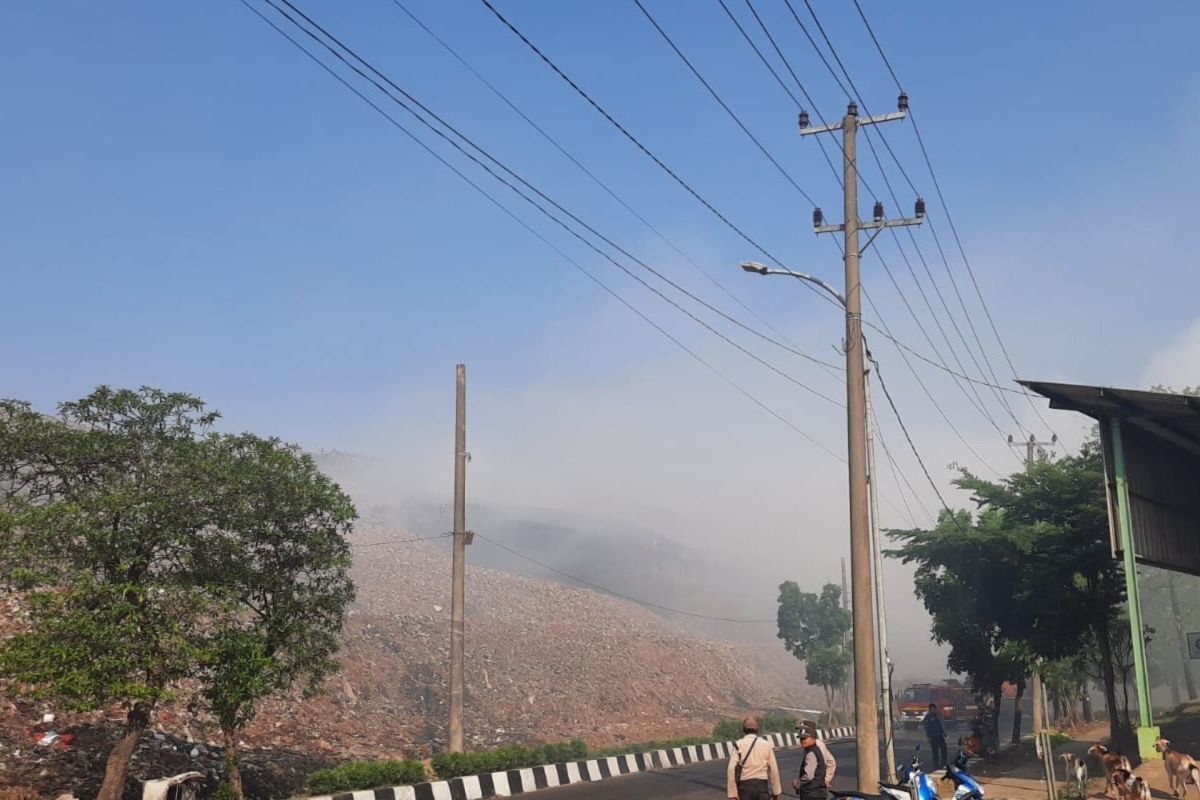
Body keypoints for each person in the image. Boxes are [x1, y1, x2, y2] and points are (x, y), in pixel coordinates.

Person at [727, 717, 782, 800]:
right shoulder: (766, 745)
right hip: (761, 787)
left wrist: (732, 794)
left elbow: (731, 769)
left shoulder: (738, 745)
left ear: (744, 730)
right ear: (757, 730)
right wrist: (776, 792)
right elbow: (774, 769)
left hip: (744, 788)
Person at [791, 722, 828, 800]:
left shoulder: (811, 753)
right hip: (818, 793)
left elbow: (809, 776)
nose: (802, 741)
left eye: (805, 738)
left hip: (812, 794)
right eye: (801, 738)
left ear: (813, 737)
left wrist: (797, 783)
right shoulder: (815, 750)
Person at [924, 702, 947, 768]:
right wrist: (928, 737)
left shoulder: (937, 716)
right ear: (930, 709)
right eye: (932, 709)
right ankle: (935, 764)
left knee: (944, 749)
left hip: (940, 736)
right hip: (933, 737)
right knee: (935, 751)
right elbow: (927, 728)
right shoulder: (928, 718)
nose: (934, 710)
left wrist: (944, 733)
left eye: (935, 709)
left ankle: (944, 762)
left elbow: (940, 725)